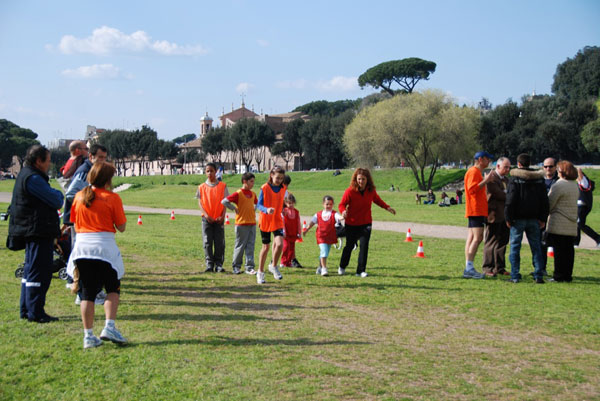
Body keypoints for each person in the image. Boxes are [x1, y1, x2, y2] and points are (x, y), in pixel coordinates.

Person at [67, 162, 128, 348]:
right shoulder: (112, 198)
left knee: (87, 293)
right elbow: (122, 227)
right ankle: (109, 326)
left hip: (82, 248)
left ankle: (88, 335)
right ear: (108, 179)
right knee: (112, 288)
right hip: (104, 248)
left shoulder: (78, 197)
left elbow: (75, 225)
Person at [8, 145, 64, 323]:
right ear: (38, 161)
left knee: (31, 271)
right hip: (38, 231)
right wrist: (57, 194)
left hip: (33, 230)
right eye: (47, 160)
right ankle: (35, 311)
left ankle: (27, 309)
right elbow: (56, 199)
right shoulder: (33, 178)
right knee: (39, 272)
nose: (49, 164)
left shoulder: (27, 174)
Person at [64, 144, 108, 304]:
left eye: (105, 158)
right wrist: (89, 200)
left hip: (83, 218)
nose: (103, 161)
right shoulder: (84, 170)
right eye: (100, 157)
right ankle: (81, 290)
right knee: (82, 255)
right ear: (91, 157)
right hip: (79, 219)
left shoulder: (93, 170)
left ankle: (84, 288)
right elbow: (70, 193)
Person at [338, 168, 396, 277]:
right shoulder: (349, 191)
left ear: (367, 180)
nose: (361, 181)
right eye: (359, 179)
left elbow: (378, 200)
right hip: (352, 223)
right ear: (356, 179)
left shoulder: (371, 191)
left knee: (364, 246)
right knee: (349, 246)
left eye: (363, 179)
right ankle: (342, 266)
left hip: (366, 223)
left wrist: (387, 207)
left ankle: (360, 271)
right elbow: (341, 204)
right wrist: (343, 211)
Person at [505, 153, 549, 284]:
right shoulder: (539, 179)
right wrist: (543, 218)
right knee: (536, 247)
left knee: (515, 247)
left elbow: (510, 200)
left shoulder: (515, 179)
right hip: (534, 218)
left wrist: (508, 217)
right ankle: (538, 274)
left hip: (517, 219)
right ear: (529, 163)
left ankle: (515, 274)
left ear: (518, 164)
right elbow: (544, 201)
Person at [463, 151, 495, 279]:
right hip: (475, 209)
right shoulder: (473, 172)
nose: (489, 162)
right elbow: (472, 189)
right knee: (477, 238)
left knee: (472, 238)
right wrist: (485, 181)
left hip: (476, 209)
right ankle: (469, 268)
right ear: (480, 159)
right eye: (487, 159)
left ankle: (468, 267)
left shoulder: (476, 172)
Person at [546, 161, 579, 282]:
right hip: (571, 223)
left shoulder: (559, 185)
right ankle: (567, 275)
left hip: (559, 222)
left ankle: (558, 275)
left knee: (559, 251)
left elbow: (550, 203)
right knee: (569, 251)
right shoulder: (574, 185)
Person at [222, 172, 258, 275]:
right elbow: (224, 201)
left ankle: (249, 267)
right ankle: (236, 267)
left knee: (250, 246)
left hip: (252, 223)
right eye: (251, 182)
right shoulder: (238, 193)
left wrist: (253, 209)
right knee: (240, 246)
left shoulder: (253, 194)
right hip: (241, 224)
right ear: (244, 182)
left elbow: (256, 203)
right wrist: (234, 208)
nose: (253, 184)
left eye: (253, 182)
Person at [256, 166, 287, 284]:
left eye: (281, 178)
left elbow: (281, 201)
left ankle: (273, 266)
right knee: (266, 247)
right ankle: (260, 272)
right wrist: (266, 209)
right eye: (277, 177)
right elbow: (258, 205)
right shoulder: (265, 188)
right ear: (271, 175)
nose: (279, 180)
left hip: (277, 219)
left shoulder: (283, 188)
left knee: (279, 244)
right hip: (265, 220)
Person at [196, 163, 229, 272]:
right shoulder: (201, 187)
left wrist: (223, 216)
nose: (210, 173)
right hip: (207, 219)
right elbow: (200, 203)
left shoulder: (222, 186)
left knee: (219, 242)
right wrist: (206, 215)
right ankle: (209, 264)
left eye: (212, 171)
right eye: (207, 171)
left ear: (216, 172)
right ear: (205, 173)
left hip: (219, 219)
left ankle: (218, 264)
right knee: (207, 242)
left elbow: (225, 202)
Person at [481, 157, 511, 277]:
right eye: (506, 167)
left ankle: (500, 267)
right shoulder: (491, 178)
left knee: (503, 242)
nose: (508, 169)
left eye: (509, 167)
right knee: (491, 242)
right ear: (498, 166)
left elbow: (507, 194)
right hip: (493, 215)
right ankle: (488, 267)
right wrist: (509, 194)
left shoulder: (507, 180)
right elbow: (497, 193)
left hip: (504, 215)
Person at [304, 195, 343, 276]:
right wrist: (307, 229)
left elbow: (340, 218)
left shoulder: (334, 214)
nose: (328, 206)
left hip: (330, 236)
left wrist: (344, 216)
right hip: (321, 236)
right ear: (323, 204)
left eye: (330, 204)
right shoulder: (318, 214)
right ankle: (324, 269)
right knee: (324, 251)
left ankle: (320, 267)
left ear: (333, 205)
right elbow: (312, 223)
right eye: (327, 204)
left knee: (325, 252)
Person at [539, 157, 559, 274]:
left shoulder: (559, 181)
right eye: (545, 166)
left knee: (556, 244)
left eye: (550, 166)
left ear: (555, 167)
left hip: (555, 216)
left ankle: (559, 270)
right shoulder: (539, 180)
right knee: (541, 244)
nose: (548, 169)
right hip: (542, 217)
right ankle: (542, 268)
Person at [575, 168, 600, 248]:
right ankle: (575, 242)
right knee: (577, 224)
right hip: (579, 206)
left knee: (580, 224)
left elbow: (580, 175)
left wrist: (578, 170)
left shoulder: (584, 181)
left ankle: (598, 238)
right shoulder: (578, 182)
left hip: (582, 206)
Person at [282, 174, 302, 267]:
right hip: (281, 222)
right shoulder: (277, 191)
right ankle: (279, 261)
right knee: (282, 244)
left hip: (291, 228)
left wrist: (299, 232)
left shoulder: (287, 193)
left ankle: (290, 260)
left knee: (291, 246)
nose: (286, 186)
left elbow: (298, 222)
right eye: (284, 184)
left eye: (287, 184)